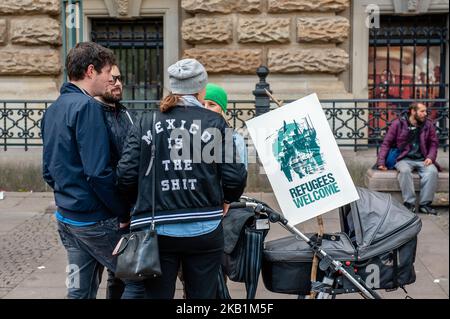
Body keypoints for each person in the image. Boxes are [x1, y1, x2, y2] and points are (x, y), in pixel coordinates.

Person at [117, 58, 247, 299]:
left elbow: (125, 175)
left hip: (157, 230)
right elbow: (235, 176)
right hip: (205, 227)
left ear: (172, 87)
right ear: (202, 89)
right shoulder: (216, 122)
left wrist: (125, 215)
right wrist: (227, 199)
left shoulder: (147, 121)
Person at [41, 42, 130, 298]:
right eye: (106, 73)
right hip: (95, 220)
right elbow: (97, 172)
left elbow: (48, 170)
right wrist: (122, 212)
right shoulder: (88, 107)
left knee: (79, 292)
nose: (110, 79)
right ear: (91, 71)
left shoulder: (54, 108)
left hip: (67, 217)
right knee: (139, 280)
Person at [94, 64, 135, 299]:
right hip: (107, 206)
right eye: (112, 80)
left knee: (121, 270)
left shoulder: (126, 112)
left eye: (119, 78)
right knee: (114, 269)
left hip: (128, 203)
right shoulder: (93, 113)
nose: (118, 83)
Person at [376, 102, 440, 215]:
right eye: (422, 111)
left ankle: (425, 205)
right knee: (404, 171)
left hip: (422, 159)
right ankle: (409, 204)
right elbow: (386, 143)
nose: (425, 114)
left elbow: (434, 144)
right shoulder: (398, 124)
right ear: (413, 111)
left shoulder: (428, 125)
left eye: (425, 111)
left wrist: (430, 157)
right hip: (403, 159)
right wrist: (381, 162)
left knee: (432, 172)